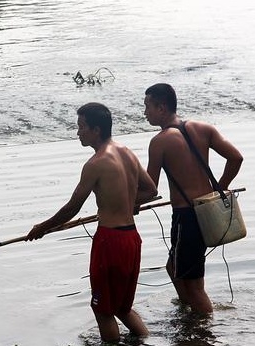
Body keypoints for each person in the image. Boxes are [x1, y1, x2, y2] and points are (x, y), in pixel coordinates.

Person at [25, 102, 157, 343]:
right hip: (131, 238)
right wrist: (125, 203)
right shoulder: (126, 152)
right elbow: (151, 190)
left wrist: (42, 228)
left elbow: (72, 208)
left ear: (96, 130)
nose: (78, 132)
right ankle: (148, 340)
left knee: (103, 311)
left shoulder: (95, 164)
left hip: (111, 241)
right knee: (123, 308)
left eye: (81, 127)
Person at [143, 83, 243, 314]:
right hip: (205, 211)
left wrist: (128, 205)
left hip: (185, 216)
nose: (144, 112)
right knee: (173, 267)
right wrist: (219, 190)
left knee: (195, 286)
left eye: (147, 106)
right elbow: (236, 158)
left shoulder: (159, 142)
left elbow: (150, 188)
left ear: (162, 107)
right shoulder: (203, 127)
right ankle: (189, 312)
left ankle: (202, 330)